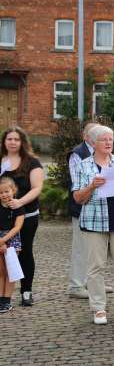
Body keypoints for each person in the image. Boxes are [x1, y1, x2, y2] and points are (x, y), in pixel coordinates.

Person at [72, 125, 114, 325]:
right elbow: (77, 198)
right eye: (104, 140)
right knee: (96, 266)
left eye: (111, 139)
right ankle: (98, 308)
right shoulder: (83, 165)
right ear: (93, 143)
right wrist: (92, 186)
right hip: (94, 220)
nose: (109, 143)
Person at [0, 126, 44, 307]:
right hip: (2, 218)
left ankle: (26, 290)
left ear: (22, 142)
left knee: (24, 252)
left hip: (26, 216)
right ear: (4, 141)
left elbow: (37, 187)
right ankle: (3, 295)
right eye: (9, 139)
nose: (12, 142)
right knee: (1, 256)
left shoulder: (32, 162)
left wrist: (20, 202)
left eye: (16, 139)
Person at [68, 122, 99, 299]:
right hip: (81, 205)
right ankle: (76, 285)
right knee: (80, 247)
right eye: (93, 133)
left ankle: (91, 281)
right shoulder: (77, 154)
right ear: (85, 136)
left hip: (98, 206)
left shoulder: (101, 151)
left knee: (94, 247)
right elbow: (77, 181)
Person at [0, 177, 24, 313]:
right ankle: (0, 298)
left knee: (10, 271)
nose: (4, 195)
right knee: (1, 271)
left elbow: (17, 227)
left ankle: (6, 300)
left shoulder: (18, 208)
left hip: (12, 240)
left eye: (6, 191)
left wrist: (4, 241)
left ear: (13, 191)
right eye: (1, 193)